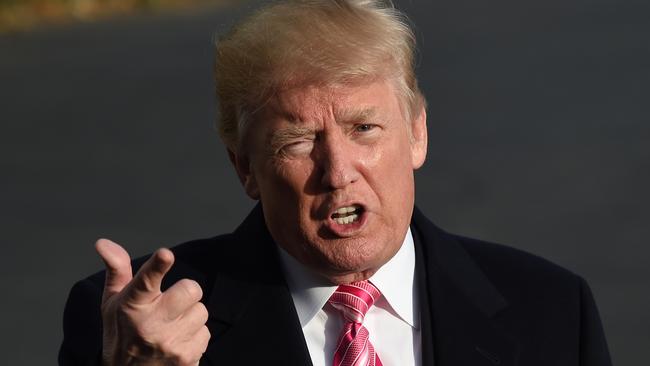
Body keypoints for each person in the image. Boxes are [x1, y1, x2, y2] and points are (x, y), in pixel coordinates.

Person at [59, 1, 612, 365]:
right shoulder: (131, 327)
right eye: (296, 142)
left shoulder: (552, 309)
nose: (338, 171)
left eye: (364, 128)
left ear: (416, 134)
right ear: (245, 168)